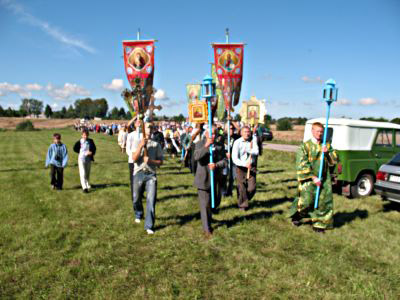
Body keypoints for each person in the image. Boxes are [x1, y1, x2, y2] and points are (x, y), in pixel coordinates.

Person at [289, 122, 338, 233]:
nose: (319, 134)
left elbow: (334, 160)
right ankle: (297, 216)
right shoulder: (305, 146)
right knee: (306, 201)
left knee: (323, 202)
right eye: (317, 131)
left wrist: (327, 153)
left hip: (324, 178)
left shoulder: (327, 145)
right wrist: (313, 177)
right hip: (309, 179)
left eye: (321, 132)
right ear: (312, 131)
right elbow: (301, 163)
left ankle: (319, 225)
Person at [194, 126, 227, 238]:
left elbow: (225, 161)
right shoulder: (199, 144)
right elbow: (197, 157)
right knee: (205, 204)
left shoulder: (220, 145)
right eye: (210, 133)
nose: (213, 136)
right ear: (206, 133)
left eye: (214, 134)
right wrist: (206, 145)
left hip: (216, 178)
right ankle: (206, 228)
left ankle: (209, 217)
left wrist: (216, 165)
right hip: (203, 178)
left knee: (216, 202)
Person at [131, 121, 163, 234]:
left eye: (150, 128)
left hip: (151, 175)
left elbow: (160, 162)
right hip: (138, 173)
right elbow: (134, 158)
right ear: (143, 130)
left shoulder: (156, 145)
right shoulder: (136, 142)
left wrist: (151, 161)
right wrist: (140, 146)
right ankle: (138, 213)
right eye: (147, 128)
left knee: (151, 199)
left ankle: (149, 225)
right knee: (136, 198)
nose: (148, 130)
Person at [232, 126, 259, 210]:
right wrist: (244, 164)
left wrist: (250, 150)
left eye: (248, 132)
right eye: (245, 132)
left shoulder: (252, 141)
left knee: (252, 188)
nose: (247, 133)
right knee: (242, 187)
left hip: (251, 167)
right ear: (241, 133)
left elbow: (256, 151)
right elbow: (234, 158)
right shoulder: (237, 142)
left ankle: (243, 198)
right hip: (240, 167)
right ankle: (242, 205)